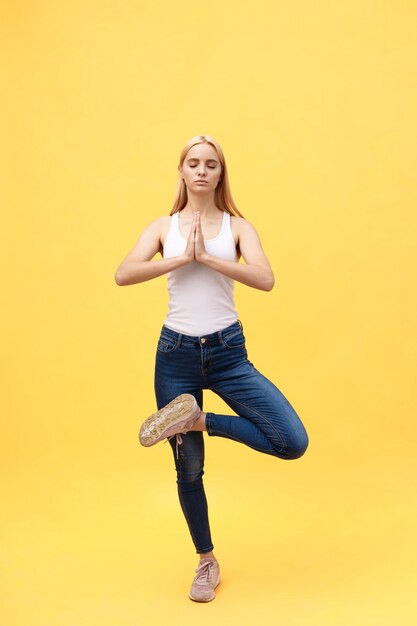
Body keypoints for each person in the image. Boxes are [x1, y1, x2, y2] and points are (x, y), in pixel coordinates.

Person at [115, 134, 309, 602]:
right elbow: (124, 273)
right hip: (175, 356)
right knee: (189, 470)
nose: (202, 170)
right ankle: (206, 563)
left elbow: (265, 278)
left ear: (221, 173)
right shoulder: (163, 226)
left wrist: (212, 260)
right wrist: (185, 256)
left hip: (227, 353)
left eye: (211, 164)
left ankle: (198, 419)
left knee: (291, 440)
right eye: (193, 163)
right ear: (181, 171)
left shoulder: (238, 228)